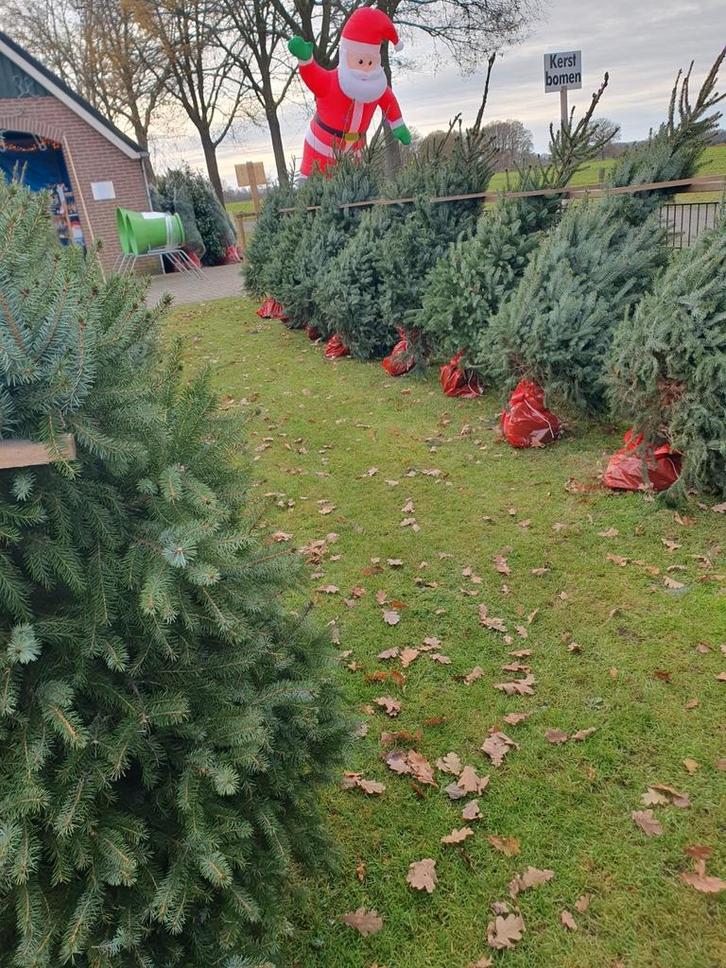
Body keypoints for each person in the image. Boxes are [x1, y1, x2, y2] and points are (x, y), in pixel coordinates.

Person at [288, 7, 411, 177]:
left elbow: (390, 103)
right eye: (360, 61)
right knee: (313, 187)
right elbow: (313, 77)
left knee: (355, 189)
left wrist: (399, 126)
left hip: (356, 150)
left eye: (371, 62)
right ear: (345, 55)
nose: (366, 67)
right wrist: (306, 60)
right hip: (321, 147)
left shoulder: (378, 88)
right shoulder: (331, 81)